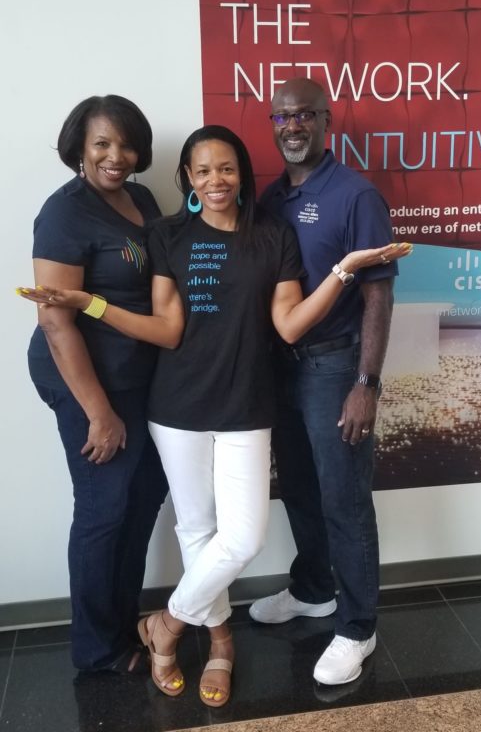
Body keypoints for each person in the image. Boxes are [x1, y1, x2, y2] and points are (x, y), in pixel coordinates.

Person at [19, 124, 411, 705]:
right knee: (198, 532)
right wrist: (89, 303)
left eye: (226, 168)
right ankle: (221, 645)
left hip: (246, 408)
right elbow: (167, 329)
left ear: (242, 174)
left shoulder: (272, 235)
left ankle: (167, 625)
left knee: (243, 536)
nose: (215, 179)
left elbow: (288, 325)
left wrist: (344, 268)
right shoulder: (166, 234)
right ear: (187, 179)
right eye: (202, 170)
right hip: (174, 409)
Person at [249, 78, 398, 686]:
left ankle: (359, 626)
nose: (292, 126)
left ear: (326, 121)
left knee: (344, 501)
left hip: (337, 368)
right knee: (302, 493)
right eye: (282, 116)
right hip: (282, 369)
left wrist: (367, 381)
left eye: (304, 115)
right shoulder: (270, 199)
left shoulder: (357, 195)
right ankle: (313, 589)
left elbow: (379, 295)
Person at [23, 95, 168, 673]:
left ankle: (121, 621)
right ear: (79, 149)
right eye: (102, 144)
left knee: (143, 497)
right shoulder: (64, 213)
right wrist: (98, 413)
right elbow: (56, 320)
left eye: (126, 144)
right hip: (84, 379)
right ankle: (97, 648)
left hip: (138, 376)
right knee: (104, 508)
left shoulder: (142, 197)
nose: (116, 156)